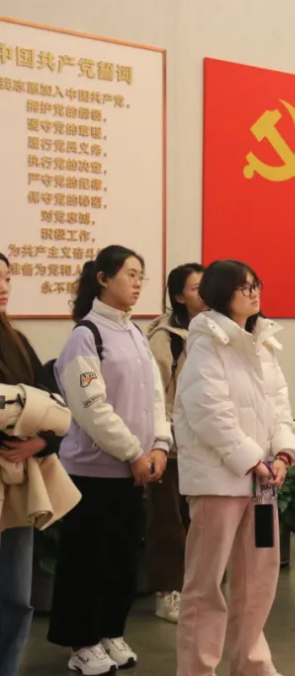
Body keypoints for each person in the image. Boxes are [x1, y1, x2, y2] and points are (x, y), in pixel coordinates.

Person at [173, 260, 295, 676]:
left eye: (256, 284)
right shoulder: (206, 342)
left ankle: (251, 663)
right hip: (218, 483)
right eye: (243, 287)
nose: (253, 292)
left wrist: (282, 453)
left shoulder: (262, 341)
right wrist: (252, 460)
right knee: (205, 584)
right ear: (219, 293)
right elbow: (209, 412)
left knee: (258, 579)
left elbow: (279, 403)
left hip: (261, 486)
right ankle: (197, 669)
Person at [49, 246, 172, 675]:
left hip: (132, 472)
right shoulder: (86, 335)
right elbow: (91, 408)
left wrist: (160, 445)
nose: (138, 283)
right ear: (103, 279)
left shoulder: (135, 333)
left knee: (121, 558)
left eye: (141, 276)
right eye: (130, 274)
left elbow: (156, 398)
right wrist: (134, 452)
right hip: (91, 473)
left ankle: (109, 632)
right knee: (85, 561)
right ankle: (81, 643)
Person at [0, 253, 75, 675]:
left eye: (7, 278)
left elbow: (53, 405)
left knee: (15, 595)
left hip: (18, 484)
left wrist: (40, 442)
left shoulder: (17, 341)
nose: (3, 287)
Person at [144, 262, 205, 624]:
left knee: (200, 520)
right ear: (180, 296)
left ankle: (196, 588)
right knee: (168, 521)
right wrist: (162, 439)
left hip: (205, 445)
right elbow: (154, 396)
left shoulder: (216, 329)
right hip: (171, 445)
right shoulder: (165, 338)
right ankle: (168, 592)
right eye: (197, 288)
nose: (205, 294)